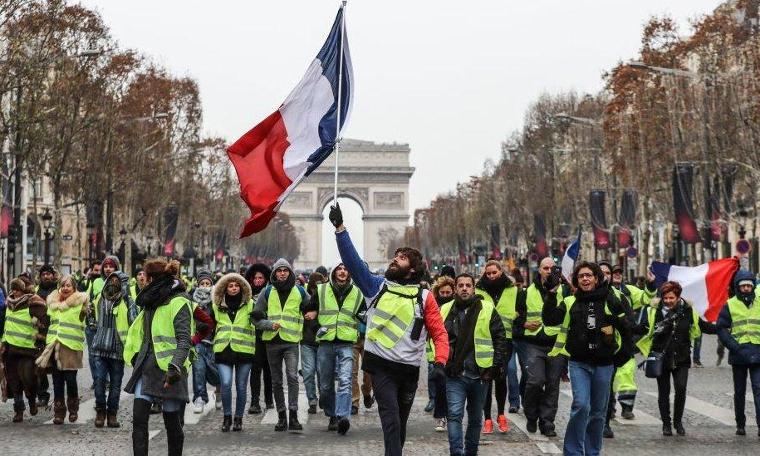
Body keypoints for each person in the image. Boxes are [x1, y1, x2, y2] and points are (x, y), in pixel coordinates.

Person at [330, 203, 449, 456]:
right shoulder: (376, 287)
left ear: (413, 269)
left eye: (402, 258)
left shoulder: (425, 297)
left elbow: (439, 333)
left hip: (408, 371)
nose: (395, 259)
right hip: (380, 366)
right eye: (395, 256)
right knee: (391, 422)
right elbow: (353, 263)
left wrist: (440, 362)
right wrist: (340, 229)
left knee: (400, 427)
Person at [542, 261, 631, 456]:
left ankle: (592, 452)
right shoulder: (570, 302)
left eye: (589, 275)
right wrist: (551, 293)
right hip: (579, 363)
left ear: (597, 278)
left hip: (604, 364)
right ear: (576, 280)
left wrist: (620, 357)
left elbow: (627, 327)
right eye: (581, 276)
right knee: (581, 405)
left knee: (598, 413)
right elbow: (549, 319)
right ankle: (573, 452)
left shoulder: (610, 299)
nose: (585, 279)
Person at [124, 258, 192, 456]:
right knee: (138, 420)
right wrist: (136, 357)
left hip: (171, 371)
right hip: (146, 368)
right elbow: (143, 334)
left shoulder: (179, 301)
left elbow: (184, 340)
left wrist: (175, 367)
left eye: (148, 278)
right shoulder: (149, 302)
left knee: (172, 423)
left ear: (157, 279)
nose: (144, 282)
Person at [636, 280, 716, 436]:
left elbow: (703, 327)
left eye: (671, 298)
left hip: (682, 357)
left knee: (681, 389)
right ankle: (666, 424)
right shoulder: (654, 311)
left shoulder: (688, 311)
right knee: (663, 392)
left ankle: (678, 422)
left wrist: (722, 327)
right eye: (665, 298)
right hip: (661, 357)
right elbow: (641, 328)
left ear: (678, 297)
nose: (668, 301)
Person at [442, 273, 510, 455]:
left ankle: (471, 452)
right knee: (455, 416)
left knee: (475, 419)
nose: (464, 288)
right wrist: (442, 362)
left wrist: (495, 366)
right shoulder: (446, 309)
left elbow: (500, 337)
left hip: (481, 374)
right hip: (455, 374)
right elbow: (437, 338)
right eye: (461, 285)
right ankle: (456, 452)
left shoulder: (487, 308)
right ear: (455, 288)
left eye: (468, 285)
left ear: (474, 288)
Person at [307, 263, 365, 434]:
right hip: (326, 343)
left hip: (347, 343)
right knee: (325, 386)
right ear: (334, 273)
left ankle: (342, 417)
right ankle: (332, 414)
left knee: (346, 380)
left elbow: (364, 314)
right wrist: (317, 326)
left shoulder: (358, 292)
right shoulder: (322, 290)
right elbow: (309, 311)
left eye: (346, 269)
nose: (342, 271)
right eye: (339, 269)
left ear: (349, 273)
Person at [252, 258, 309, 432]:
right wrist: (269, 325)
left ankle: (293, 414)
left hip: (291, 342)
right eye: (279, 270)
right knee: (276, 381)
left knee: (292, 377)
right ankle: (281, 416)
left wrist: (311, 313)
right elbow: (255, 317)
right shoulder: (267, 292)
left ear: (290, 272)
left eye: (285, 270)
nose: (282, 273)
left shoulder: (300, 291)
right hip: (272, 342)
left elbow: (312, 308)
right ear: (274, 273)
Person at [513, 257, 565, 437]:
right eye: (545, 268)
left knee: (552, 385)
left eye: (552, 268)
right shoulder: (526, 292)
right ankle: (531, 415)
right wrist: (524, 324)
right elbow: (515, 318)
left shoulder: (564, 291)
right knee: (535, 381)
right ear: (540, 271)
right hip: (533, 344)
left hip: (556, 344)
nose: (549, 271)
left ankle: (547, 422)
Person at [35, 275, 88, 424]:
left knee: (70, 380)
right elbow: (47, 322)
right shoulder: (52, 304)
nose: (65, 288)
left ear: (74, 288)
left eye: (68, 285)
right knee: (57, 381)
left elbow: (85, 317)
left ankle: (73, 409)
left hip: (71, 347)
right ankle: (59, 412)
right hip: (54, 346)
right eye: (63, 285)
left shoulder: (80, 302)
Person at [475, 260, 518, 434]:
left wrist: (517, 317)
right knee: (486, 378)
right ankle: (487, 418)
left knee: (501, 377)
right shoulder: (478, 291)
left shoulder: (513, 290)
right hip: (484, 339)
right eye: (488, 273)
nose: (491, 276)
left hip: (505, 340)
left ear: (501, 271)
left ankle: (501, 414)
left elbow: (519, 310)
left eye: (494, 272)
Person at [716, 269, 760, 436]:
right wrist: (734, 346)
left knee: (758, 389)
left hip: (758, 353)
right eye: (743, 286)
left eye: (749, 285)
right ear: (737, 287)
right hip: (739, 354)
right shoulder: (730, 304)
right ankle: (740, 424)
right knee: (739, 392)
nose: (747, 288)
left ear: (753, 286)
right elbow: (721, 328)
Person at [89, 270, 135, 428]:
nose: (113, 283)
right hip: (99, 348)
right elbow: (91, 317)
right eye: (111, 279)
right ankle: (100, 411)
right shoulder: (99, 299)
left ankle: (112, 414)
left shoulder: (128, 302)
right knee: (99, 381)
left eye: (117, 280)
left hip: (117, 350)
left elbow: (134, 324)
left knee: (115, 385)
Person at [210, 272, 255, 432]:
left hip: (244, 350)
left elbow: (258, 321)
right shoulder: (216, 305)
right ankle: (227, 417)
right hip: (223, 350)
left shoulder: (251, 304)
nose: (234, 288)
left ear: (242, 287)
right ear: (225, 288)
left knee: (242, 386)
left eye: (237, 285)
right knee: (226, 384)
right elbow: (209, 324)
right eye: (230, 285)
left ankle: (238, 419)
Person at [1, 276, 47, 422]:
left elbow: (45, 318)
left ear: (23, 290)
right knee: (13, 381)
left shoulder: (32, 303)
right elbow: (6, 325)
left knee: (29, 379)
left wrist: (40, 335)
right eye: (13, 289)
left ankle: (32, 400)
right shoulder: (8, 304)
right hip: (10, 349)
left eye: (18, 289)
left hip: (27, 349)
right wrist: (3, 342)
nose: (15, 292)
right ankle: (19, 409)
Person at [426, 275, 455, 431]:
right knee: (440, 387)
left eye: (448, 292)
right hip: (437, 354)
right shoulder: (433, 306)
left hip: (454, 352)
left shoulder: (456, 307)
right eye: (442, 292)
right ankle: (441, 416)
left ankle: (452, 416)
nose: (445, 295)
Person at [245, 263, 274, 414]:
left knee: (269, 370)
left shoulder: (271, 294)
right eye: (255, 278)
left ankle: (269, 400)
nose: (257, 280)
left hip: (268, 336)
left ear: (265, 279)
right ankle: (255, 401)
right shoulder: (246, 295)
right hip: (253, 337)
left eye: (260, 277)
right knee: (255, 370)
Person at [190, 270, 217, 413]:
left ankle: (218, 392)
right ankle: (200, 397)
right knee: (198, 369)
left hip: (215, 342)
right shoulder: (191, 299)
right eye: (202, 283)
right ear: (198, 284)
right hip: (198, 341)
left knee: (216, 373)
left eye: (208, 283)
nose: (205, 286)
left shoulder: (217, 299)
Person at [301, 271, 326, 415]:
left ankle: (323, 396)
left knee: (323, 374)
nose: (317, 290)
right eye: (314, 287)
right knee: (309, 372)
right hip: (307, 340)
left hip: (322, 341)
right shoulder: (303, 298)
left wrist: (316, 312)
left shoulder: (327, 298)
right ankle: (312, 400)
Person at [35, 264, 57, 408]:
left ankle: (59, 396)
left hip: (56, 333)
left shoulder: (59, 290)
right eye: (44, 274)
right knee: (40, 368)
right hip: (39, 334)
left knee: (57, 367)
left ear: (53, 275)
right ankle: (42, 395)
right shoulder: (35, 291)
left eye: (49, 274)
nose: (46, 276)